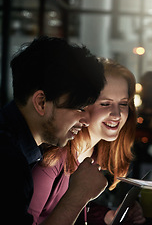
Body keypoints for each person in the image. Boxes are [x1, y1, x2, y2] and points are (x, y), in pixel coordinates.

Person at [0, 36, 108, 224]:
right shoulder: (8, 161)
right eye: (80, 108)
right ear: (41, 102)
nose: (86, 120)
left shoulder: (18, 147)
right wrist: (79, 195)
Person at [28, 58, 145, 224]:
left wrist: (109, 216)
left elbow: (69, 212)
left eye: (123, 104)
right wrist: (80, 195)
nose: (117, 114)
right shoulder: (52, 158)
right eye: (105, 104)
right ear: (82, 104)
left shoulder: (93, 154)